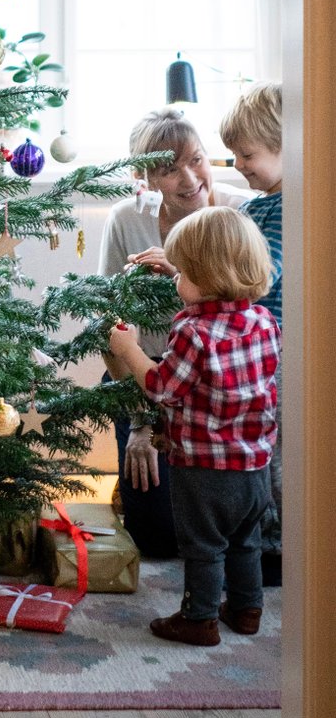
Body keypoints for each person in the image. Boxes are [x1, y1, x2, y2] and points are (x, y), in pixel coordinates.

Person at [108, 205, 279, 646]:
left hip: (204, 471)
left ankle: (198, 618)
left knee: (203, 547)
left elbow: (162, 386)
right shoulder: (264, 322)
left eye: (181, 272)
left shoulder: (192, 332)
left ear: (202, 276)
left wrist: (129, 350)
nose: (176, 278)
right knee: (245, 541)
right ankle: (246, 610)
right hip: (255, 466)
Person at [99, 107, 249, 558]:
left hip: (216, 387)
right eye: (169, 169)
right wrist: (142, 425)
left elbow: (251, 317)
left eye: (197, 159)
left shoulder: (238, 211)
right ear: (144, 178)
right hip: (146, 378)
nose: (190, 178)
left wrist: (182, 275)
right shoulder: (127, 220)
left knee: (214, 532)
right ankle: (137, 483)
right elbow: (109, 327)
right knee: (159, 541)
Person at [220, 82, 283, 586]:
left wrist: (202, 273)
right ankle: (261, 541)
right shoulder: (253, 209)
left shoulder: (290, 208)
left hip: (278, 359)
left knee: (278, 460)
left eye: (248, 154)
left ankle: (281, 549)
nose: (238, 165)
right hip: (254, 358)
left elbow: (265, 275)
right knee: (258, 456)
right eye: (233, 155)